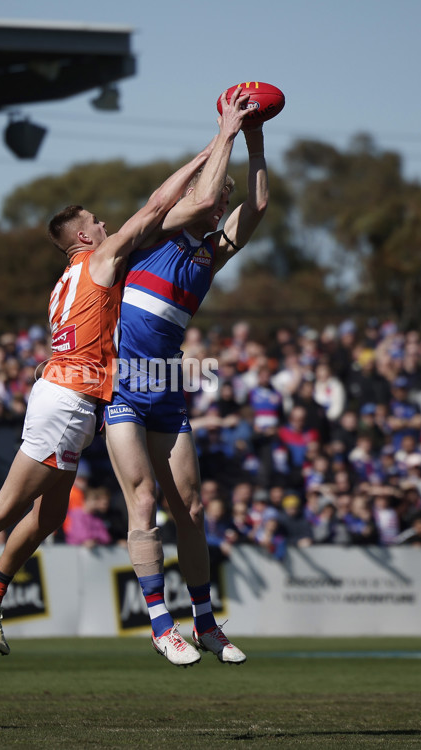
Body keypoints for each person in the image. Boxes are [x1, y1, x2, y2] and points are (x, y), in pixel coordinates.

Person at [0, 103, 232, 655]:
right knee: (5, 508)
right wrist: (209, 150)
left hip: (69, 397)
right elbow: (157, 206)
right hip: (69, 399)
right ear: (82, 236)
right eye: (96, 221)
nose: (105, 225)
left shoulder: (66, 279)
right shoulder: (98, 261)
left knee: (48, 516)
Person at [104, 88, 268, 666]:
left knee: (191, 510)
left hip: (167, 385)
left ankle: (205, 624)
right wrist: (224, 130)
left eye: (223, 194)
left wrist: (254, 139)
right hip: (122, 384)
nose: (219, 198)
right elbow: (198, 200)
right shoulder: (159, 232)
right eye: (216, 191)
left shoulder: (210, 252)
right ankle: (159, 624)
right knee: (143, 501)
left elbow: (259, 207)